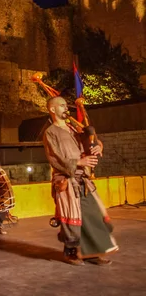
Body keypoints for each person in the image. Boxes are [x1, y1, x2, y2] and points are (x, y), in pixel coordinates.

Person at [43, 96, 118, 266]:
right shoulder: (50, 133)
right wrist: (78, 162)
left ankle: (90, 252)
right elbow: (54, 158)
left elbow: (90, 141)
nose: (65, 108)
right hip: (66, 179)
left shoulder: (73, 128)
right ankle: (70, 252)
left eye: (65, 105)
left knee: (93, 214)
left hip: (83, 179)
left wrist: (98, 145)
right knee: (72, 217)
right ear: (52, 109)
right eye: (61, 105)